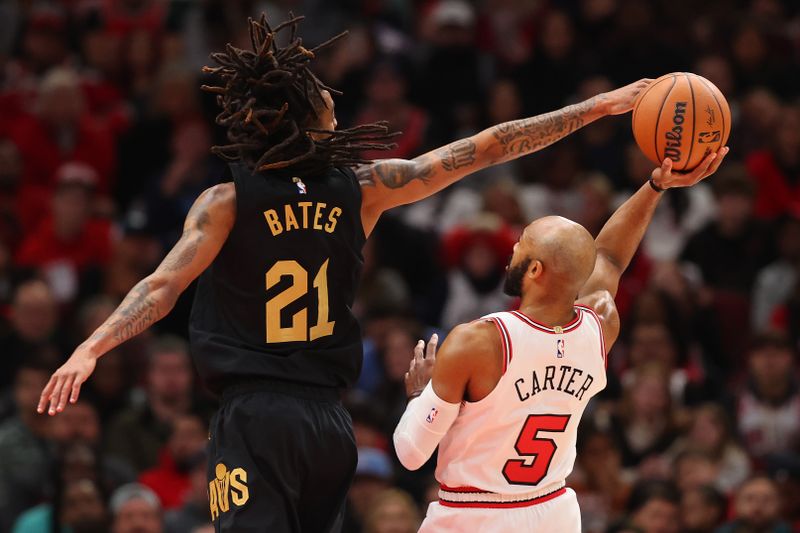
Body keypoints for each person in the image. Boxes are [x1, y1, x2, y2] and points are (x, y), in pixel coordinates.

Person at [39, 12, 651, 532]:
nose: (336, 99)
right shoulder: (363, 190)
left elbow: (161, 287)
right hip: (330, 425)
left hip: (257, 416)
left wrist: (91, 347)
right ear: (309, 118)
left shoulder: (226, 201)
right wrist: (595, 108)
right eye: (326, 96)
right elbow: (487, 147)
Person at [392, 147, 727, 531]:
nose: (512, 250)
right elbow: (612, 257)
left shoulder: (479, 341)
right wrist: (655, 187)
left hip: (474, 515)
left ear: (534, 269)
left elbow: (411, 454)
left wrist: (421, 395)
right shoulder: (600, 324)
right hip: (553, 512)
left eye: (521, 244)